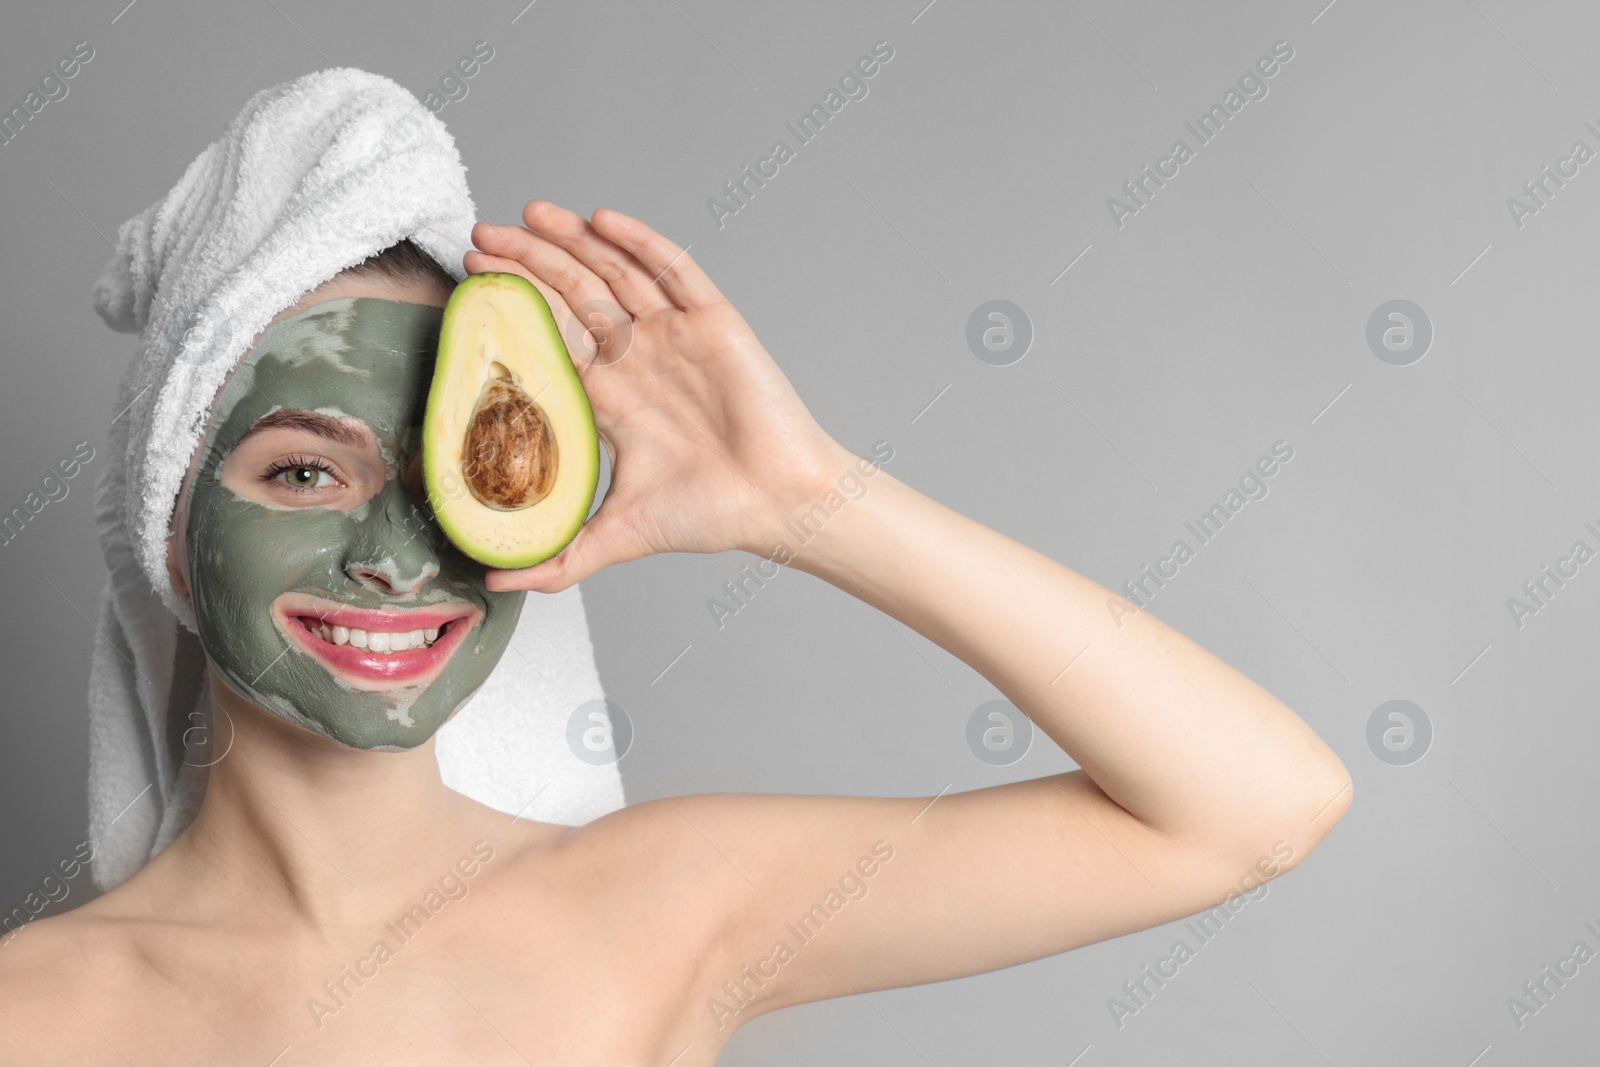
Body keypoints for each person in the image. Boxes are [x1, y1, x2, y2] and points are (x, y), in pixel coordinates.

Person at [0, 200, 1351, 1064]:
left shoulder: (662, 910)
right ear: (169, 522)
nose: (396, 555)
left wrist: (812, 501)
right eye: (306, 472)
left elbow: (1252, 806)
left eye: (470, 471)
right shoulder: (32, 1014)